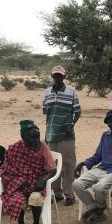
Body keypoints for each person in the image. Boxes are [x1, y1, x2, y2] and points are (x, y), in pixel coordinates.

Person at [73, 110, 112, 224]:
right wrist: (82, 164)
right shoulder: (105, 135)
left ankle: (98, 210)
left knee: (99, 187)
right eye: (109, 122)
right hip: (101, 168)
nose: (111, 124)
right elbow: (98, 156)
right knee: (77, 184)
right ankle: (97, 209)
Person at [0, 120, 57, 224]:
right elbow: (6, 170)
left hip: (38, 180)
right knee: (16, 199)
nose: (36, 140)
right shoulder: (15, 148)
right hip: (20, 183)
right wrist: (20, 181)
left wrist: (42, 181)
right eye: (32, 137)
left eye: (38, 136)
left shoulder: (43, 146)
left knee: (35, 198)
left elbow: (53, 169)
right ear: (23, 137)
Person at [42, 65, 81, 206]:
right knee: (53, 164)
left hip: (66, 134)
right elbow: (46, 113)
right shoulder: (47, 92)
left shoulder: (71, 91)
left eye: (60, 75)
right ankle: (57, 193)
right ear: (52, 76)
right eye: (55, 75)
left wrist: (71, 124)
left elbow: (77, 111)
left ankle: (69, 194)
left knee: (68, 164)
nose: (57, 77)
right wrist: (47, 133)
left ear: (64, 76)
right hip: (51, 134)